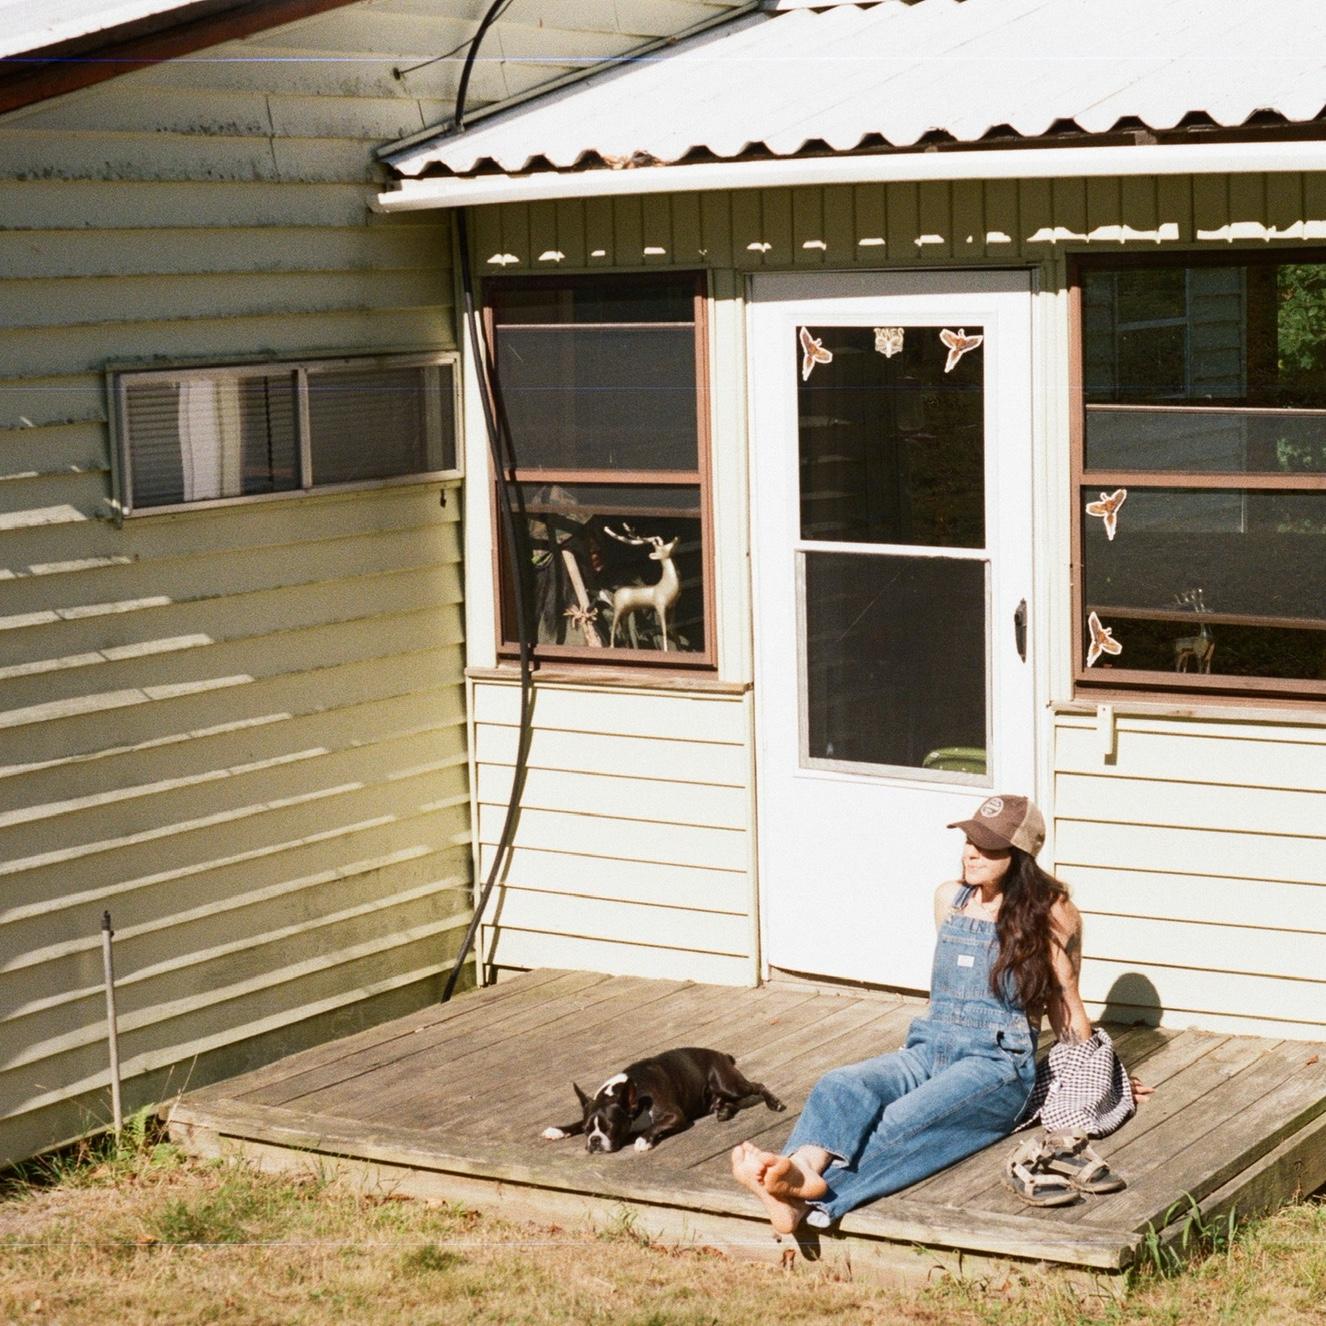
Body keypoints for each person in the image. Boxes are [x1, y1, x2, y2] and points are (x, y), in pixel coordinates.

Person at [731, 793, 1111, 1233]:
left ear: (1020, 854)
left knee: (902, 1121)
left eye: (988, 846)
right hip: (929, 1048)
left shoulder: (1054, 913)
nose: (971, 853)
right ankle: (799, 1169)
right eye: (969, 840)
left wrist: (1096, 1075)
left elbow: (1066, 1006)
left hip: (996, 1065)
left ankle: (802, 1197)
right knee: (841, 1085)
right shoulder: (950, 899)